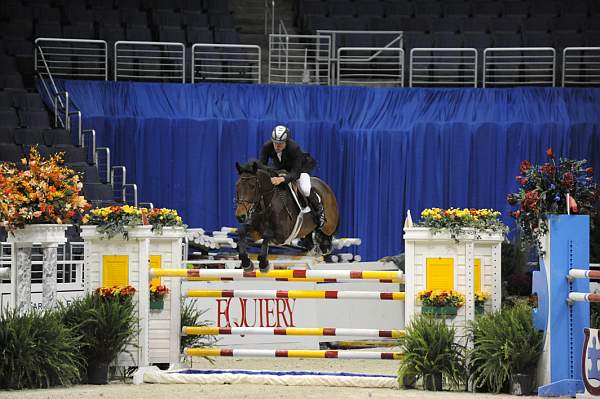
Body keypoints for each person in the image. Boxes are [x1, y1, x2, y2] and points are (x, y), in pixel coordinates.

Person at [259, 125, 325, 228]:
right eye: (275, 142)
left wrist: (282, 179)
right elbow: (262, 166)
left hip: (299, 169)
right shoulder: (267, 147)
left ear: (286, 142)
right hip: (280, 168)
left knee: (305, 189)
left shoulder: (294, 148)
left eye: (280, 144)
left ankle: (318, 209)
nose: (277, 146)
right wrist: (269, 177)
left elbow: (295, 173)